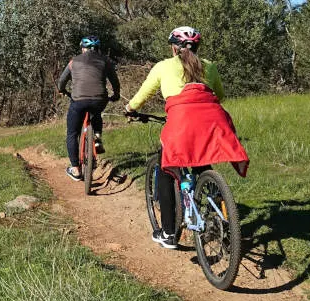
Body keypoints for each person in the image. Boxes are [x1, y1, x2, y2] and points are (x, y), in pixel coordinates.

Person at [125, 26, 248, 249]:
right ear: (197, 46)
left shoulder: (163, 66)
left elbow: (143, 94)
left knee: (165, 169)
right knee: (202, 160)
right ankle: (219, 217)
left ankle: (169, 233)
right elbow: (218, 95)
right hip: (212, 119)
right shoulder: (209, 66)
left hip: (181, 119)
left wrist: (130, 108)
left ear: (174, 47)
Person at [57, 36, 121, 182]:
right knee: (96, 111)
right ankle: (97, 136)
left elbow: (62, 80)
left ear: (83, 48)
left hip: (78, 100)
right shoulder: (105, 61)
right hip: (99, 99)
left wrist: (61, 90)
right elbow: (114, 81)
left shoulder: (74, 61)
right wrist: (116, 94)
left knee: (72, 133)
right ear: (97, 48)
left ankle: (76, 169)